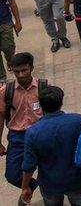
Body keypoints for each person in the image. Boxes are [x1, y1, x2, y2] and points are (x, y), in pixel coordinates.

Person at [20, 85, 81, 206]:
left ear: (41, 106)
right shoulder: (77, 121)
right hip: (77, 180)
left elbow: (29, 165)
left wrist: (25, 187)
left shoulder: (33, 132)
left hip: (50, 184)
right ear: (61, 102)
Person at [0, 52, 45, 194]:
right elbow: (0, 117)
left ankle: (48, 189)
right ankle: (30, 188)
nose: (20, 75)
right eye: (16, 71)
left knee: (49, 168)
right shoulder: (5, 91)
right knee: (13, 175)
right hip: (17, 137)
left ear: (31, 68)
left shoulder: (43, 87)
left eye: (24, 70)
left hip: (41, 134)